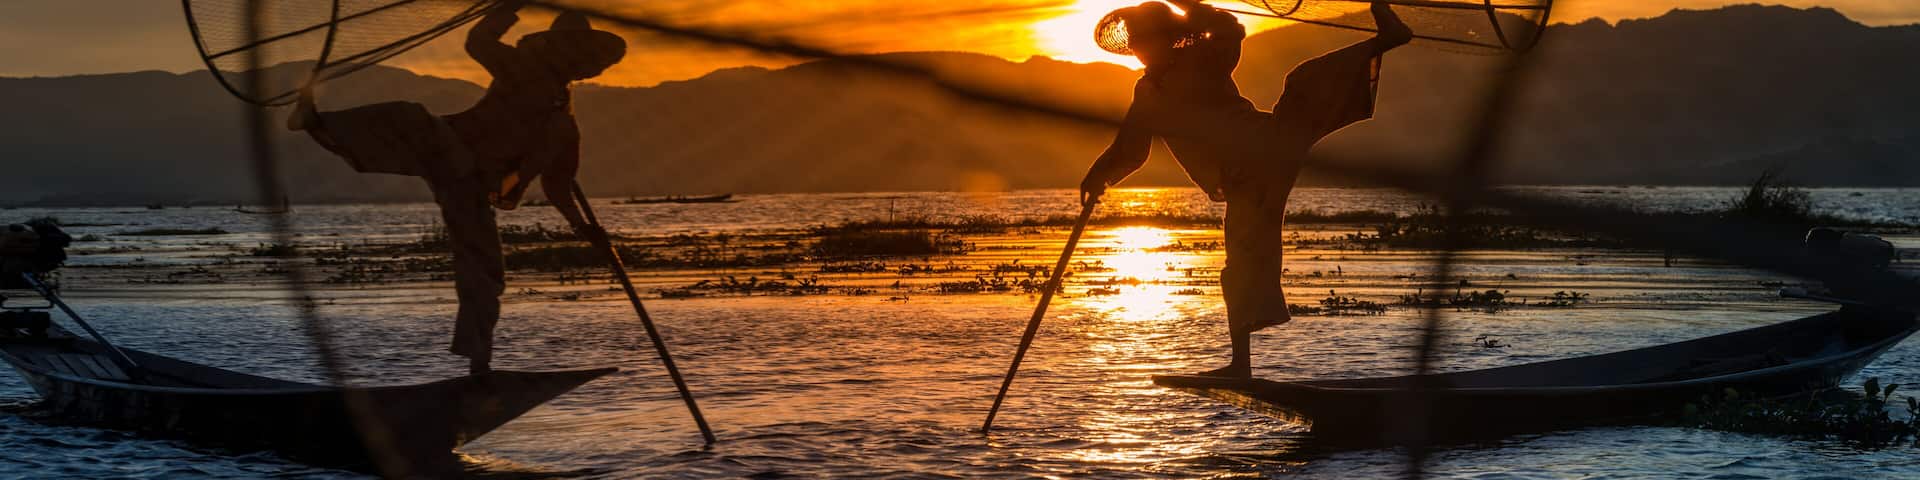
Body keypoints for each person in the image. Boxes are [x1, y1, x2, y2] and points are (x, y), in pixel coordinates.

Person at [287, 1, 626, 374]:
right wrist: (507, 10)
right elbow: (479, 41)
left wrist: (585, 229)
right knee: (410, 117)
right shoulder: (520, 69)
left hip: (473, 183)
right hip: (450, 147)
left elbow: (558, 185)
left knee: (485, 270)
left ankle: (478, 364)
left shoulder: (563, 125)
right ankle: (318, 124)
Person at [1079, 0, 1411, 377]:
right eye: (1135, 42)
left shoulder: (1203, 58)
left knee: (1303, 82)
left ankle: (1385, 40)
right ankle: (1241, 365)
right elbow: (1130, 149)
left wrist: (1185, 4)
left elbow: (1228, 29)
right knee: (1240, 265)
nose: (1139, 48)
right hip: (1240, 180)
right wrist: (1095, 178)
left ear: (1168, 38)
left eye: (1144, 39)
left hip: (1266, 145)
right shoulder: (1147, 92)